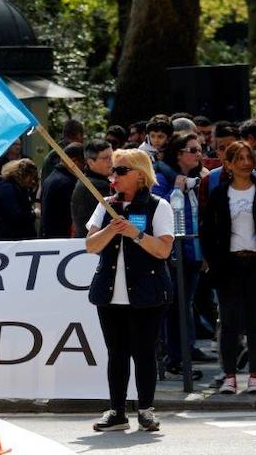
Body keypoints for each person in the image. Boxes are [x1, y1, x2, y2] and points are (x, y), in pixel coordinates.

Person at [85, 148, 173, 432]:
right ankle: (117, 410)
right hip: (110, 292)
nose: (114, 176)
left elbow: (163, 249)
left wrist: (135, 233)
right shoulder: (106, 204)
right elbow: (91, 246)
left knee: (145, 352)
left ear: (140, 174)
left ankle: (146, 409)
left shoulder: (158, 206)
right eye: (113, 170)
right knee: (116, 352)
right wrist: (111, 229)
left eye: (121, 171)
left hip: (146, 290)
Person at [201, 141, 256, 394]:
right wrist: (212, 260)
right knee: (229, 321)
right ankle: (229, 375)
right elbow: (206, 230)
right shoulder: (220, 193)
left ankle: (255, 374)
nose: (245, 163)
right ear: (228, 164)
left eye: (248, 157)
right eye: (238, 158)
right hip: (228, 265)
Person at [153, 131, 214, 371]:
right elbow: (157, 209)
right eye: (193, 150)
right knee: (175, 305)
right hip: (173, 251)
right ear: (178, 154)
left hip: (194, 251)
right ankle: (176, 356)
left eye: (200, 150)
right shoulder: (163, 176)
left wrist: (204, 253)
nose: (199, 154)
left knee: (185, 302)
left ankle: (183, 354)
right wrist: (174, 191)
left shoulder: (199, 179)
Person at [39, 143, 85, 238]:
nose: (85, 168)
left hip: (50, 236)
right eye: (84, 164)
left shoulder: (51, 178)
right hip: (62, 239)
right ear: (74, 162)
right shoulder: (67, 182)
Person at [71, 139, 113, 238]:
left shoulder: (88, 181)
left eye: (112, 156)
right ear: (91, 162)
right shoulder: (95, 186)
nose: (111, 161)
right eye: (105, 158)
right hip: (93, 245)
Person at [0, 159, 39, 240]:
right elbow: (15, 216)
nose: (32, 181)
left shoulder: (17, 188)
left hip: (17, 237)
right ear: (21, 174)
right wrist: (34, 214)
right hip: (11, 238)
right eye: (30, 177)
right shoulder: (6, 189)